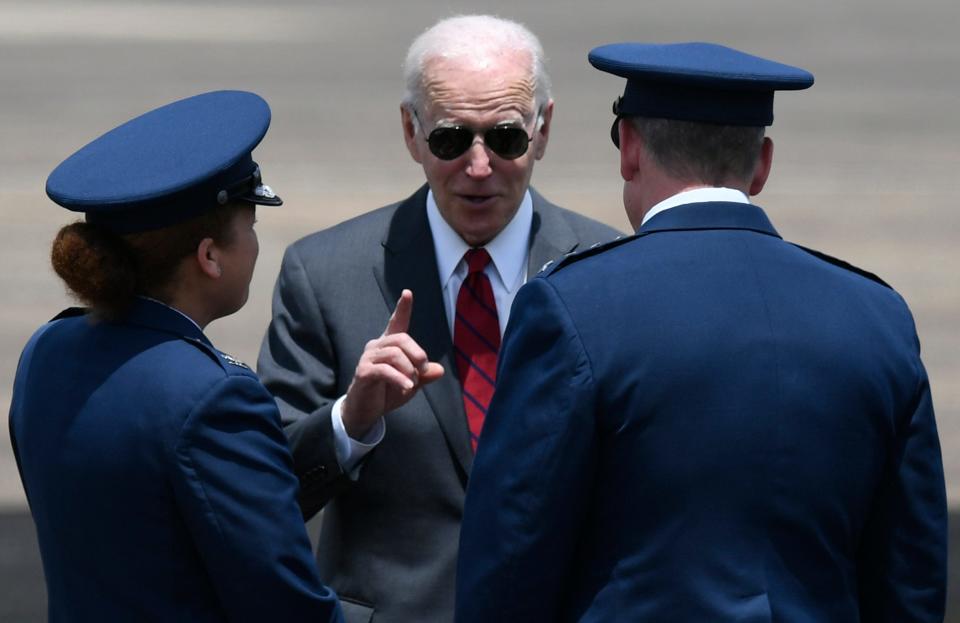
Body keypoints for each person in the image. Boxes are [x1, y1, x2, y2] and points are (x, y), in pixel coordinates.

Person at [456, 42, 947, 622]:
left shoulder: (571, 306)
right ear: (762, 164)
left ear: (630, 150)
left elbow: (510, 563)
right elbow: (911, 575)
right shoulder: (876, 315)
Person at [256, 15, 620, 623]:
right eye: (452, 139)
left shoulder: (606, 267)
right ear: (411, 131)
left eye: (505, 138)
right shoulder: (323, 274)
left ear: (543, 128)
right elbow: (266, 490)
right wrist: (352, 418)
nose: (479, 167)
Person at [8, 91, 343, 622]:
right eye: (250, 227)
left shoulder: (48, 350)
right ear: (209, 257)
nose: (256, 245)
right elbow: (284, 603)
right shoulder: (211, 395)